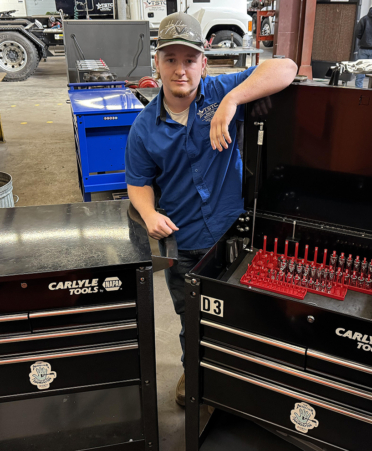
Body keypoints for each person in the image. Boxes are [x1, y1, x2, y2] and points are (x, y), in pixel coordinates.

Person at [125, 12, 297, 406]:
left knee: (243, 315)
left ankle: (243, 379)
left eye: (189, 60)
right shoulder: (144, 127)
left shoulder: (221, 90)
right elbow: (137, 182)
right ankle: (196, 374)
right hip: (182, 244)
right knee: (191, 318)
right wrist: (150, 215)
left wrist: (233, 100)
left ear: (204, 63)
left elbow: (285, 67)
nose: (180, 70)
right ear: (158, 63)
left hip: (232, 238)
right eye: (171, 60)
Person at [355, 7, 372, 88]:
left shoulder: (364, 19)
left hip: (363, 48)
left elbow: (358, 33)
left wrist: (363, 40)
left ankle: (358, 91)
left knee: (361, 70)